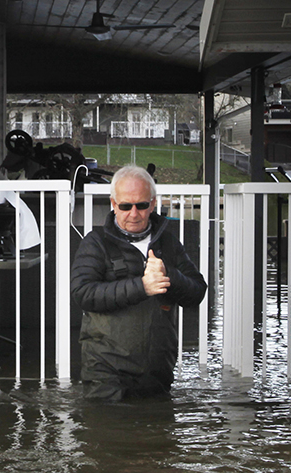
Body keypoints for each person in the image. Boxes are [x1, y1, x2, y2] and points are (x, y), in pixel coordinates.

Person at [70, 165, 207, 400]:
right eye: (125, 206)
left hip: (158, 372)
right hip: (106, 374)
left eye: (141, 205)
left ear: (152, 204)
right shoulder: (96, 243)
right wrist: (142, 287)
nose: (134, 213)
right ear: (113, 204)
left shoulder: (168, 242)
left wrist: (168, 275)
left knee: (158, 434)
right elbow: (83, 293)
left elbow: (197, 292)